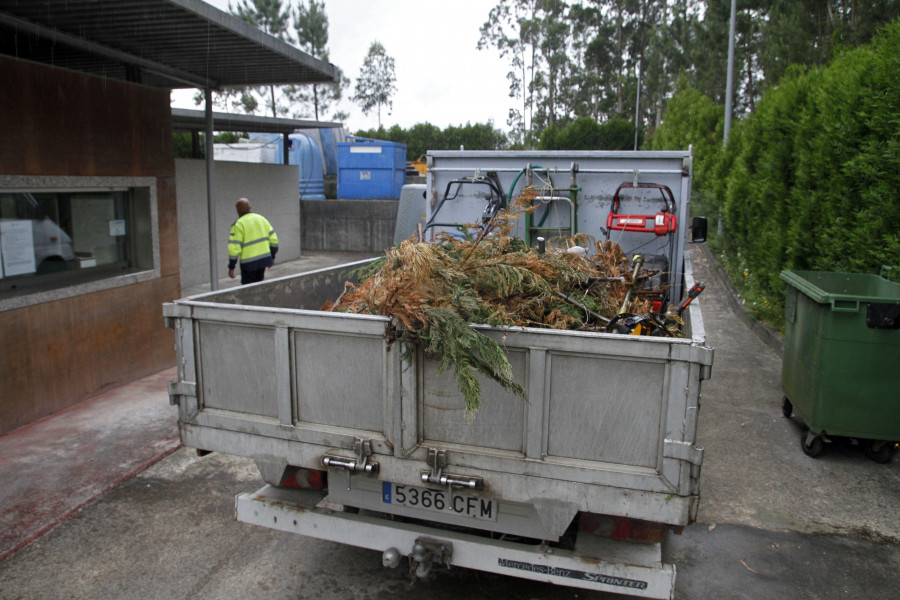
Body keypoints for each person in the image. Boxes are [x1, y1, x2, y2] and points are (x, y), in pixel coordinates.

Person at [227, 198, 279, 285]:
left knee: (247, 289)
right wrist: (272, 256)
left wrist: (231, 267)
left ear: (238, 210)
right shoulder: (262, 219)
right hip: (263, 261)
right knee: (259, 285)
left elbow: (234, 249)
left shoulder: (238, 224)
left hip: (248, 264)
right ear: (250, 207)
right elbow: (274, 240)